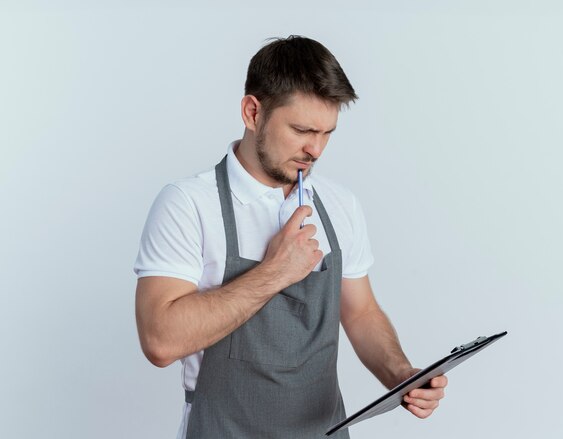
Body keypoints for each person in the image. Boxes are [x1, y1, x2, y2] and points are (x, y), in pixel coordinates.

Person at [134, 35, 447, 439]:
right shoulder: (188, 204)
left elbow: (360, 312)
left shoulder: (339, 204)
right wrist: (276, 272)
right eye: (301, 129)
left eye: (327, 133)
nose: (315, 149)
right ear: (252, 112)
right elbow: (160, 340)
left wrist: (401, 375)